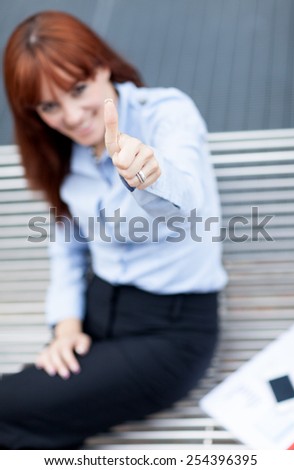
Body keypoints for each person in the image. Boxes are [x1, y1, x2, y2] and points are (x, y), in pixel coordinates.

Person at [0, 10, 227, 449]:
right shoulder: (66, 153)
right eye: (49, 106)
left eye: (78, 89)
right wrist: (66, 326)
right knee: (24, 422)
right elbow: (68, 248)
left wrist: (149, 175)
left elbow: (187, 197)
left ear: (102, 66)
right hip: (93, 313)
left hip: (168, 330)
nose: (71, 116)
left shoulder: (166, 113)